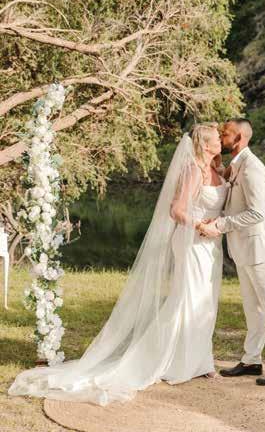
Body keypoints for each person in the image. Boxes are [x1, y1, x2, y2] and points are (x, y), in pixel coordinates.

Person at [8, 123, 228, 406]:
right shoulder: (193, 171)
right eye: (217, 139)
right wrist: (199, 224)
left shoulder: (217, 170)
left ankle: (199, 360)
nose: (221, 141)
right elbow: (176, 210)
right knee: (187, 299)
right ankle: (173, 360)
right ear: (205, 144)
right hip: (192, 242)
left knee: (205, 301)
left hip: (211, 245)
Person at [199, 118, 265, 385]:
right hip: (243, 249)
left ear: (240, 137)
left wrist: (219, 225)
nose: (222, 136)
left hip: (258, 249)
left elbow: (256, 213)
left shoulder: (253, 168)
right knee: (252, 308)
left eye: (227, 133)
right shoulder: (236, 165)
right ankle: (252, 360)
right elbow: (235, 203)